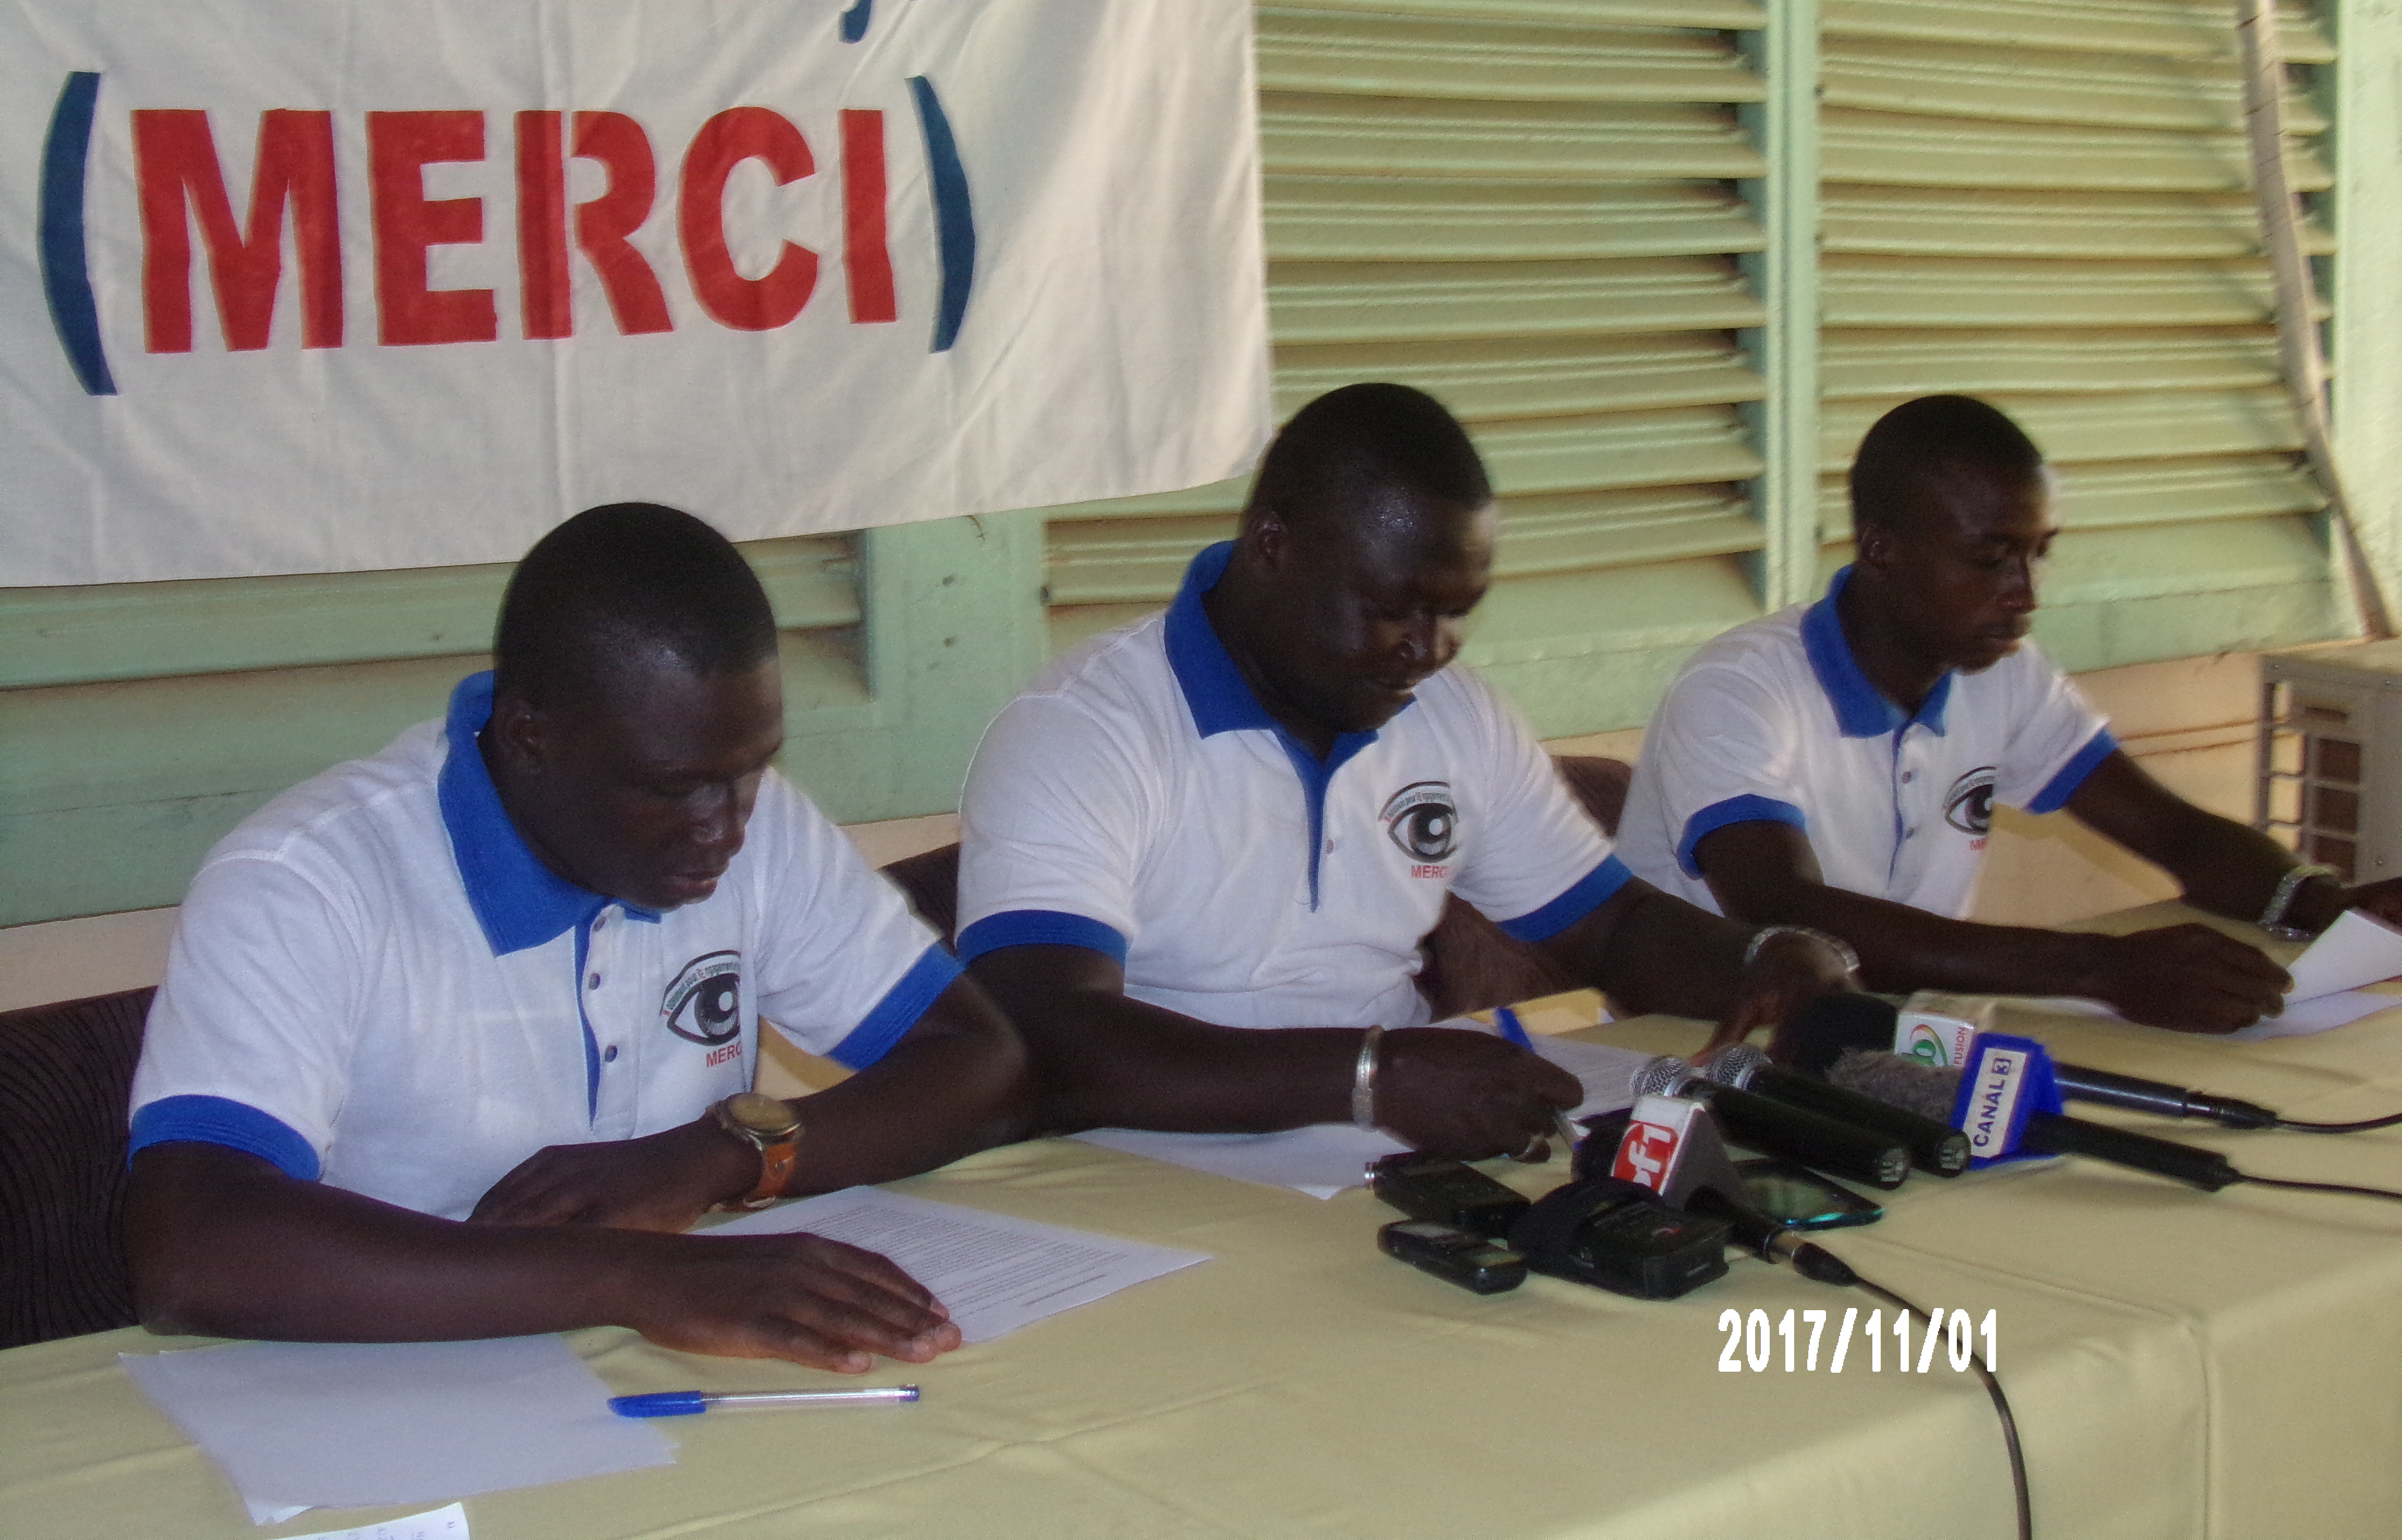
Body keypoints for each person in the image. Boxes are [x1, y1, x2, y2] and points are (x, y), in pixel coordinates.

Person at [126, 504, 1029, 1371]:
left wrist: (717, 1157)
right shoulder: (307, 882)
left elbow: (981, 1061)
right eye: (672, 789)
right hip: (384, 1387)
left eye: (751, 773)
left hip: (659, 1374)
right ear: (530, 737)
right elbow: (192, 1249)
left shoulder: (762, 831)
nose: (726, 828)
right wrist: (634, 1276)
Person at [952, 384, 1858, 1158]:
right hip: (1145, 1164)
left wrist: (1762, 961)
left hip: (1378, 1155)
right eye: (1396, 609)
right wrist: (1369, 1077)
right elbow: (1046, 1028)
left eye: (1457, 612)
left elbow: (1611, 928)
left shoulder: (1453, 716)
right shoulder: (1087, 729)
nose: (1430, 650)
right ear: (1272, 546)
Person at [1615, 393, 2402, 1033]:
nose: (2025, 593)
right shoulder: (1740, 690)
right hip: (1709, 1043)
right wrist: (2102, 968)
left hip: (1908, 1032)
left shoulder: (2003, 674)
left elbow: (2167, 830)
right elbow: (1784, 909)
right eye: (1990, 559)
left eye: (2038, 553)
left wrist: (2321, 902)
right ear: (1882, 549)